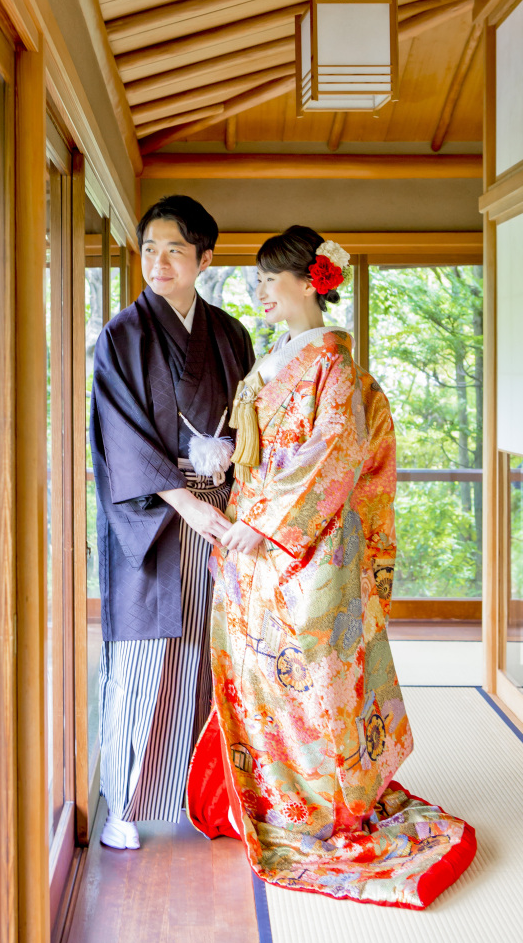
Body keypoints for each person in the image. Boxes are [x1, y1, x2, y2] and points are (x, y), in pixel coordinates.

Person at [186, 225, 476, 908]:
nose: (259, 291)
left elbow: (336, 454)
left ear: (306, 283)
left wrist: (263, 524)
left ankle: (325, 809)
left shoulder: (333, 365)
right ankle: (277, 798)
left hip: (306, 551)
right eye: (255, 280)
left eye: (267, 279)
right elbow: (258, 443)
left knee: (316, 677)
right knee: (265, 674)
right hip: (259, 545)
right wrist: (221, 461)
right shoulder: (276, 357)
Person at [90, 195, 254, 850]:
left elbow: (256, 421)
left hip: (221, 516)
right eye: (149, 249)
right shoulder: (122, 336)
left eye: (175, 251)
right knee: (141, 657)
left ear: (204, 260)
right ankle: (123, 802)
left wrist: (236, 472)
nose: (157, 262)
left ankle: (206, 795)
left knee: (211, 656)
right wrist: (184, 501)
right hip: (153, 518)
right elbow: (119, 437)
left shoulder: (230, 333)